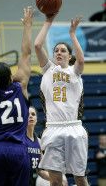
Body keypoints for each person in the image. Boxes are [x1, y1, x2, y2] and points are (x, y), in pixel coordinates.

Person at [34, 12, 89, 186]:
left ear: (69, 56)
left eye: (63, 51)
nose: (58, 52)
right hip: (53, 128)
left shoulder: (74, 72)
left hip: (73, 127)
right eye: (56, 50)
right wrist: (48, 22)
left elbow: (81, 59)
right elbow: (36, 45)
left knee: (80, 179)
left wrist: (72, 34)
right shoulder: (48, 69)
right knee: (56, 181)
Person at [0, 6, 35, 186]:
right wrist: (28, 26)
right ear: (10, 77)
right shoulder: (19, 84)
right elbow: (26, 53)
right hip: (18, 150)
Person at [27, 106, 68, 186]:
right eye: (27, 114)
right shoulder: (19, 139)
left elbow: (40, 170)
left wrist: (56, 179)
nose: (31, 116)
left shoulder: (39, 142)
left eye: (33, 114)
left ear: (36, 119)